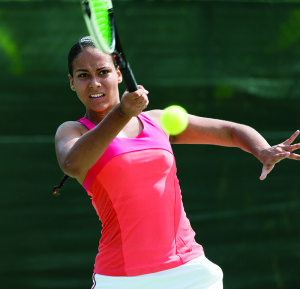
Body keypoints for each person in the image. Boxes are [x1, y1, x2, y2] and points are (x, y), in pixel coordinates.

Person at [54, 36, 300, 289]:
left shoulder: (158, 121)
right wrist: (122, 112)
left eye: (103, 72)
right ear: (72, 82)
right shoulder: (73, 132)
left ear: (118, 74)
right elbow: (73, 164)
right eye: (83, 75)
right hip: (121, 278)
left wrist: (263, 150)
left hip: (189, 271)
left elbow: (230, 131)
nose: (94, 83)